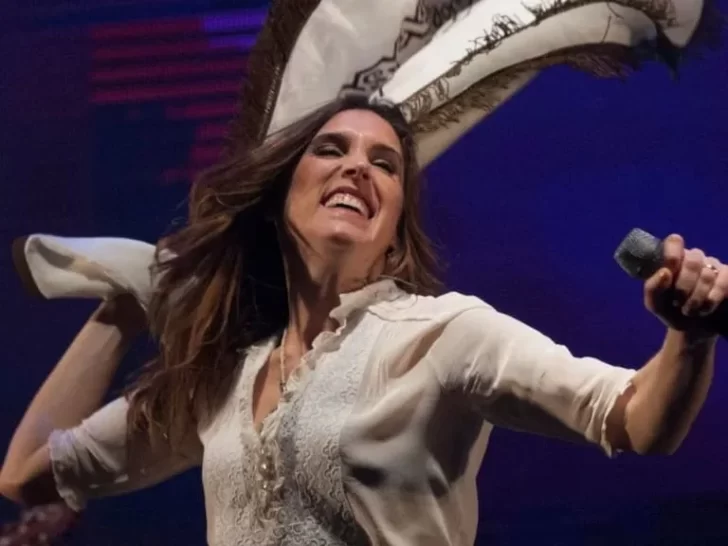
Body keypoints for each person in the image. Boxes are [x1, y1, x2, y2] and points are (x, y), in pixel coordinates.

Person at [1, 1, 722, 544]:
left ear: (396, 225)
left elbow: (633, 419)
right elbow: (27, 472)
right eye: (331, 150)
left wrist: (687, 339)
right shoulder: (224, 378)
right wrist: (127, 304)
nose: (357, 167)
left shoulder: (444, 334)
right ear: (278, 195)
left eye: (385, 164)